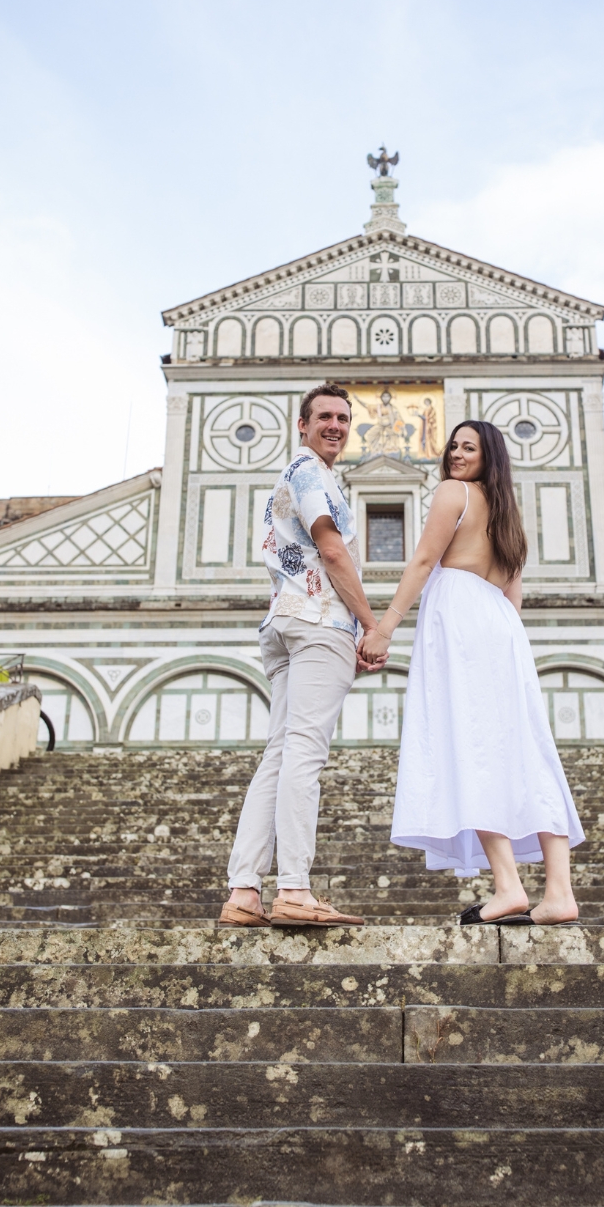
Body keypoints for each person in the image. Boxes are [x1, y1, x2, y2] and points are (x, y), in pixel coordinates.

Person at [358, 420, 585, 926]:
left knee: (473, 747)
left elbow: (421, 561)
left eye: (469, 448)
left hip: (460, 620)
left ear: (489, 457)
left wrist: (385, 627)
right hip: (502, 627)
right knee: (526, 752)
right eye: (454, 446)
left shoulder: (451, 493)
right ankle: (559, 893)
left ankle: (507, 887)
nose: (457, 454)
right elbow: (514, 597)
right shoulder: (507, 512)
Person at [220, 383, 384, 928]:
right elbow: (332, 549)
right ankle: (293, 887)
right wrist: (370, 623)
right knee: (305, 754)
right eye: (324, 417)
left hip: (284, 621)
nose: (335, 425)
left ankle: (244, 890)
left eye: (343, 417)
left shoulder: (304, 474)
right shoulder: (311, 473)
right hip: (319, 622)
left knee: (279, 754)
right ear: (302, 424)